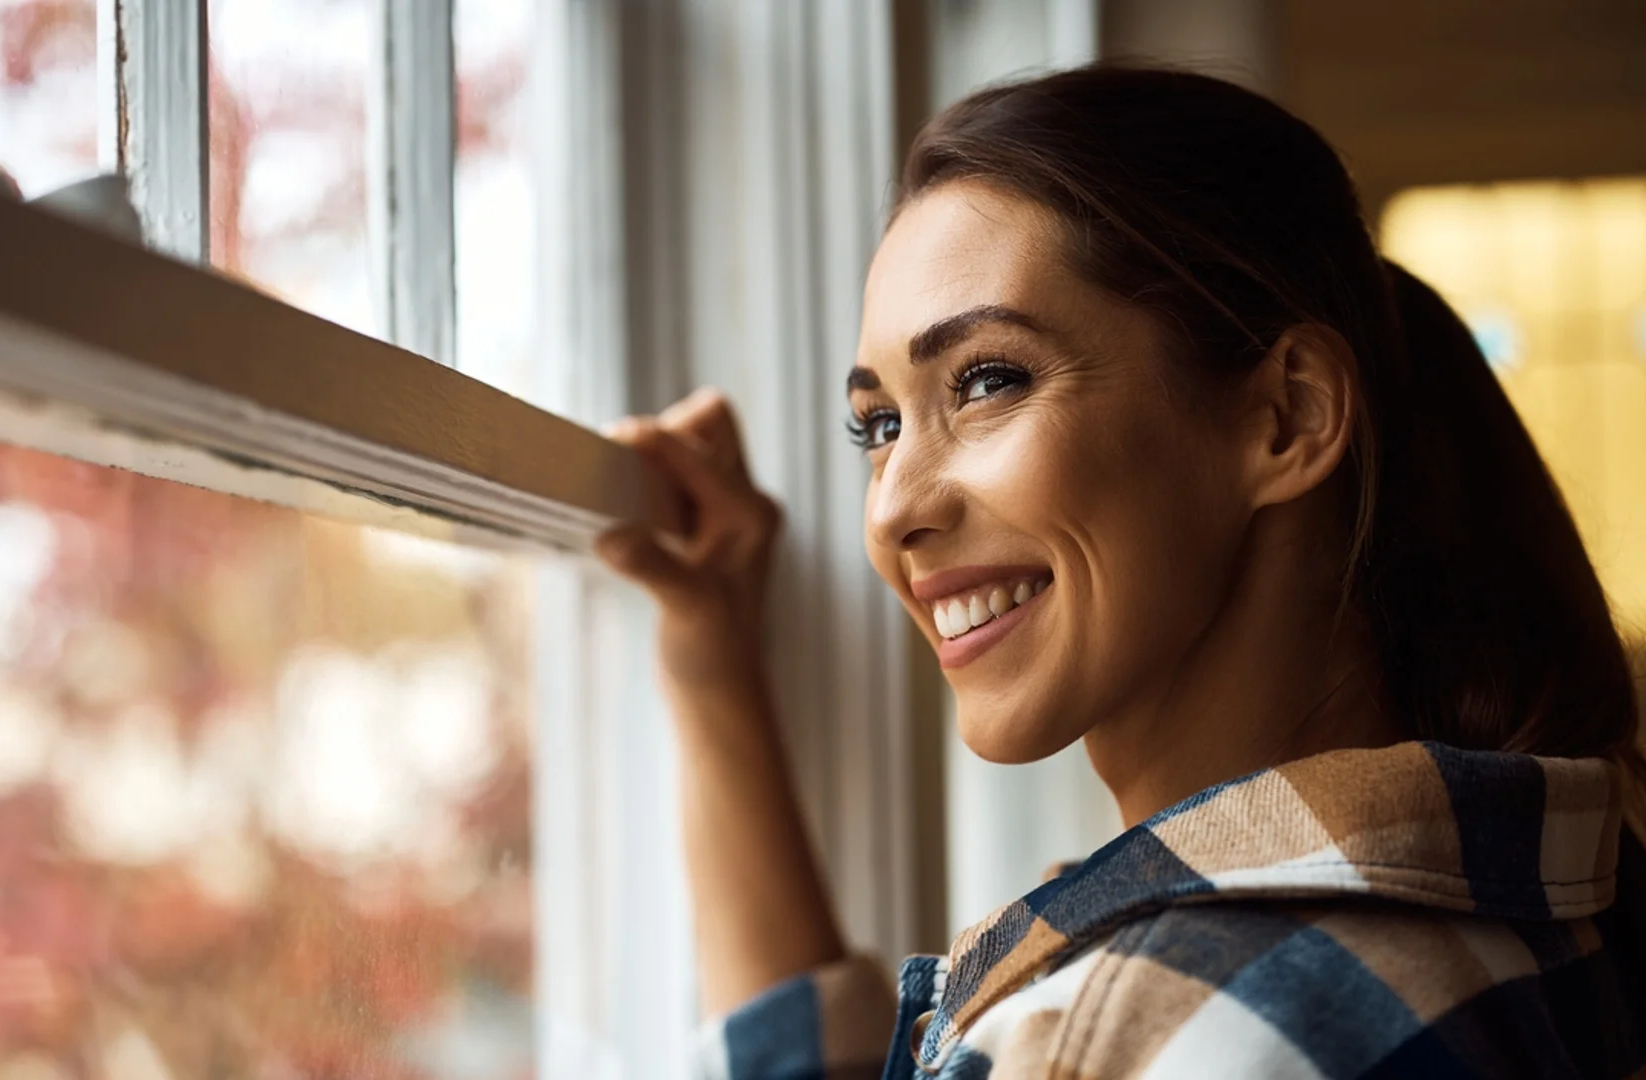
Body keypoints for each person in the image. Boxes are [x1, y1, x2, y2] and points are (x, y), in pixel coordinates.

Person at [597, 66, 1646, 1079]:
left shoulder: (1144, 1033)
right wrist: (713, 664)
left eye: (986, 381)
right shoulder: (1550, 908)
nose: (894, 509)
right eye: (876, 423)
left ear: (1287, 416)